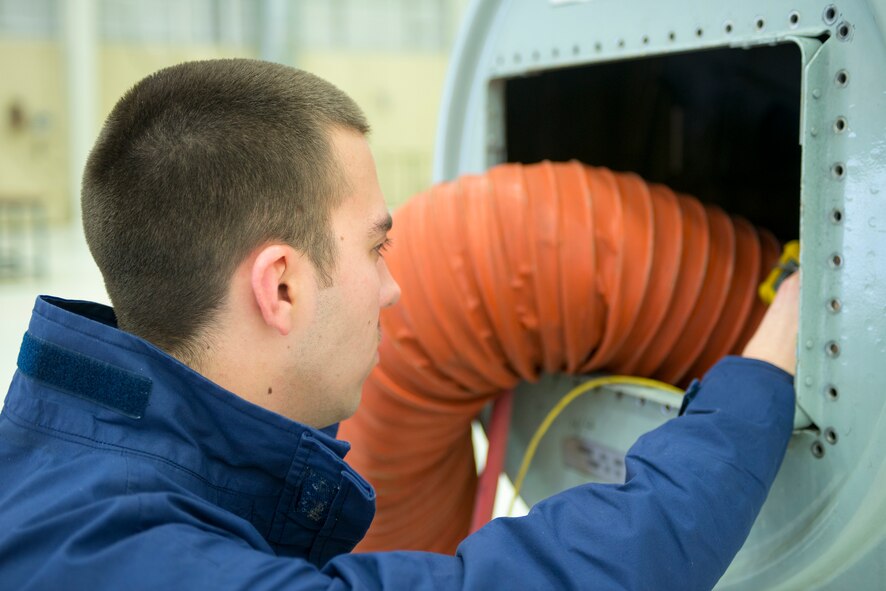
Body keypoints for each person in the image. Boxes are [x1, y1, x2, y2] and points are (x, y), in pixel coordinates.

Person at [0, 59, 798, 590]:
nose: (393, 288)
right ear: (280, 286)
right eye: (377, 247)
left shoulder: (58, 476)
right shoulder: (159, 566)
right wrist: (766, 372)